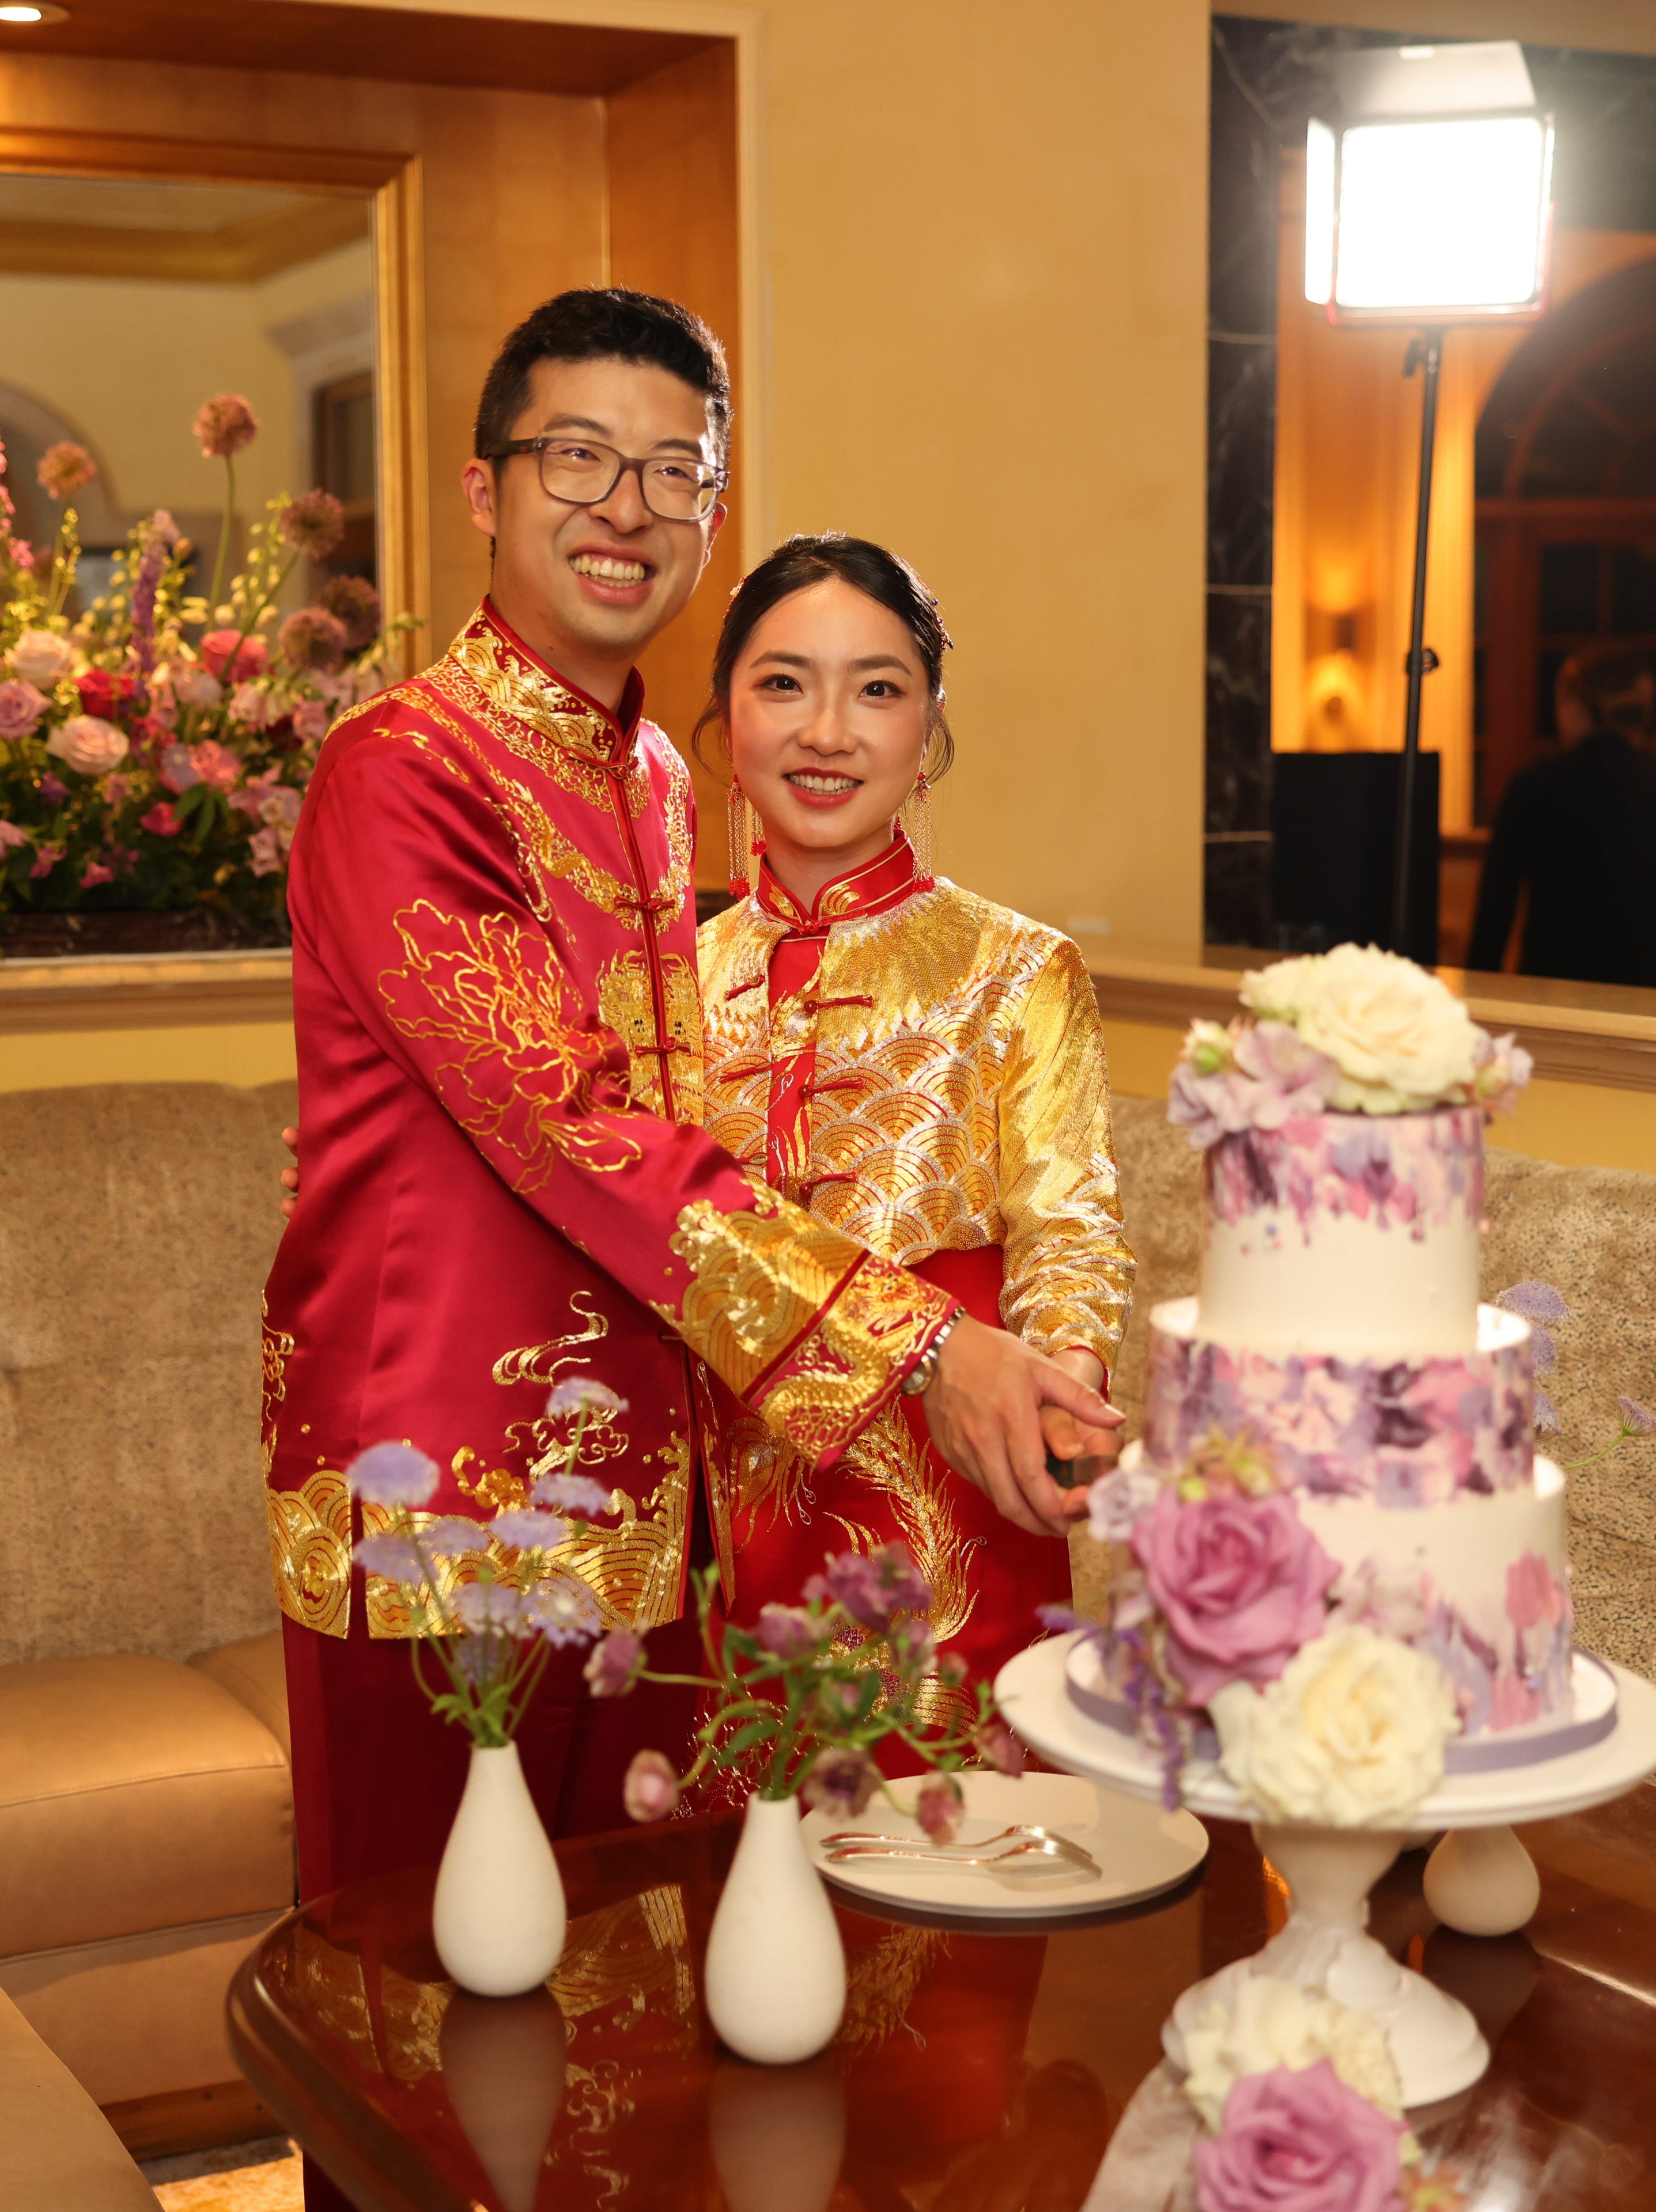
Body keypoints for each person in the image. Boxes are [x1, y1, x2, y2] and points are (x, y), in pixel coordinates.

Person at [263, 291, 1121, 1914]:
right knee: (416, 2006)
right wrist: (923, 1343)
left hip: (661, 1520)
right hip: (446, 1504)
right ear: (484, 490)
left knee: (614, 2019)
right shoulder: (406, 772)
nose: (628, 507)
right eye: (578, 457)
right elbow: (575, 1123)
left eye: (675, 472)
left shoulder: (654, 780)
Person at [689, 534, 1131, 1723]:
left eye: (877, 689)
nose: (827, 731)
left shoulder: (1018, 969)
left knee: (938, 1870)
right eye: (783, 683)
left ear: (928, 731)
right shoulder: (654, 981)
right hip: (709, 1505)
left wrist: (1062, 1397)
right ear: (726, 720)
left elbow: (1068, 1225)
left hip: (949, 1489)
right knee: (716, 1874)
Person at [1466, 645, 1656, 993]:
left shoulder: (1532, 787)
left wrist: (1476, 1007)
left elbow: (1494, 915)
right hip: (1648, 992)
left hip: (1550, 989)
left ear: (1576, 708)